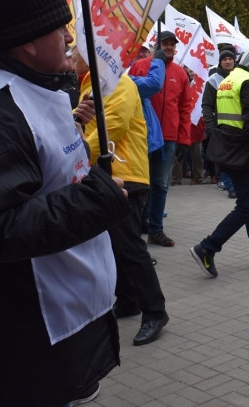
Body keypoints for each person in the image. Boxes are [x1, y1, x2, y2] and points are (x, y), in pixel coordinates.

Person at [0, 0, 131, 406]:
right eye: (58, 28)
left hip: (62, 327)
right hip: (34, 340)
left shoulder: (29, 86)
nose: (67, 36)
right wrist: (96, 198)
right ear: (27, 42)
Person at [71, 47, 169, 348]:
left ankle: (156, 311)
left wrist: (75, 154)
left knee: (129, 246)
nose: (70, 56)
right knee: (113, 244)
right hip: (104, 173)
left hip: (126, 174)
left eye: (75, 52)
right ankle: (128, 300)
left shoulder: (117, 83)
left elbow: (110, 125)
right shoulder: (90, 84)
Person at [191, 45, 249, 277]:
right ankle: (207, 247)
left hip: (231, 151)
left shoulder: (230, 79)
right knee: (247, 206)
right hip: (247, 154)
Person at [129, 30, 193, 247]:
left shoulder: (181, 74)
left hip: (168, 138)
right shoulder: (141, 66)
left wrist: (184, 139)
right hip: (143, 136)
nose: (168, 47)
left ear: (176, 48)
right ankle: (137, 227)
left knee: (160, 184)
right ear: (156, 45)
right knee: (139, 183)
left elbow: (185, 108)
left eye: (171, 44)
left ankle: (155, 229)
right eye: (164, 44)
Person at [202, 47, 237, 197]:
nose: (228, 62)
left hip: (238, 126)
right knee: (225, 159)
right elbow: (207, 105)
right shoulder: (213, 80)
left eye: (230, 59)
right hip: (220, 127)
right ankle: (230, 187)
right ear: (220, 62)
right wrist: (210, 127)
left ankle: (243, 186)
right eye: (225, 59)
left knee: (239, 158)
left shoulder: (240, 77)